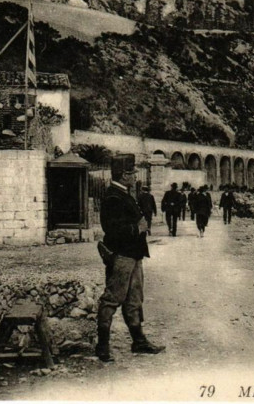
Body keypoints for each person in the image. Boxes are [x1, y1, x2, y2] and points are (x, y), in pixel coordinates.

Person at [95, 154, 164, 362]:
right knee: (112, 298)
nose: (135, 176)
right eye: (132, 173)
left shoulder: (124, 193)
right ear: (124, 175)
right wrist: (138, 228)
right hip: (122, 255)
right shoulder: (113, 196)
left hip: (133, 255)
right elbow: (112, 229)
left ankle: (139, 341)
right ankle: (103, 345)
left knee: (134, 299)